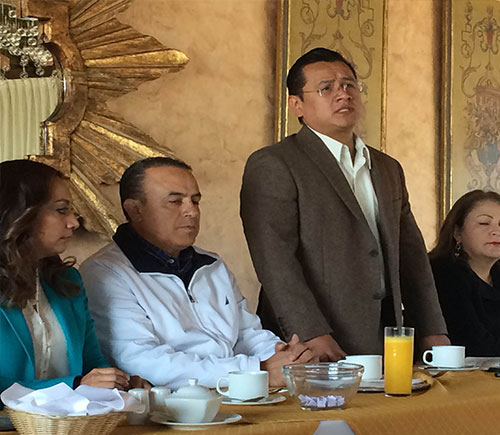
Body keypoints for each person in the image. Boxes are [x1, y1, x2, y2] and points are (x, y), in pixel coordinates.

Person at [240, 47, 449, 359]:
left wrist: (433, 329)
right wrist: (311, 332)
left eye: (349, 85)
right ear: (296, 105)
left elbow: (411, 255)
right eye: (326, 88)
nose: (343, 94)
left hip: (387, 335)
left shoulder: (387, 167)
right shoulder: (275, 164)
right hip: (316, 341)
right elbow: (275, 261)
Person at [81, 157, 313, 389]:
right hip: (172, 402)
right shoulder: (106, 272)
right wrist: (257, 370)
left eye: (195, 201)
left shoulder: (212, 264)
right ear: (135, 210)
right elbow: (142, 362)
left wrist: (285, 356)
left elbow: (246, 334)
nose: (191, 211)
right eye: (175, 201)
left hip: (237, 391)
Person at [0, 160, 146, 396]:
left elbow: (93, 364)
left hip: (71, 418)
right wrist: (74, 385)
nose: (73, 222)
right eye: (61, 210)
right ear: (18, 213)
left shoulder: (67, 281)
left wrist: (121, 383)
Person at [429, 190, 500, 356]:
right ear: (457, 233)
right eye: (484, 223)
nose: (497, 232)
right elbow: (471, 342)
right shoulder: (441, 273)